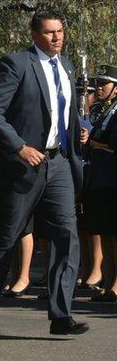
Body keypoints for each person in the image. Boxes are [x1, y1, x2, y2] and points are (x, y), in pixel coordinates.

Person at [0, 9, 89, 338]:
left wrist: (77, 131)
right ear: (35, 35)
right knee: (5, 240)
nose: (57, 38)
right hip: (23, 166)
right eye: (50, 33)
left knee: (67, 236)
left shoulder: (66, 67)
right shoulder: (17, 64)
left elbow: (61, 113)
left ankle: (60, 314)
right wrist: (19, 147)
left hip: (59, 165)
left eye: (61, 32)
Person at [82, 65, 117, 301]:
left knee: (114, 234)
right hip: (100, 179)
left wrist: (92, 138)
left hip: (112, 178)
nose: (100, 87)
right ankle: (107, 280)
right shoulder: (104, 110)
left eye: (105, 83)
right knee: (104, 232)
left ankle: (116, 284)